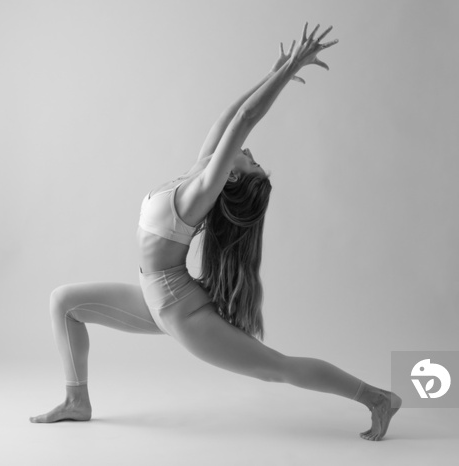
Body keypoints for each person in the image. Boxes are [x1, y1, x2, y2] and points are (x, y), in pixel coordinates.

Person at [30, 23, 401, 441]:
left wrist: (289, 71)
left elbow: (247, 120)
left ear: (231, 180)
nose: (249, 153)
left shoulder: (200, 192)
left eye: (251, 164)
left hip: (178, 309)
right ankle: (77, 401)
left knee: (277, 367)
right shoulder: (198, 173)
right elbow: (231, 117)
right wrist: (273, 71)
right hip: (156, 295)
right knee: (64, 302)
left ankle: (375, 398)